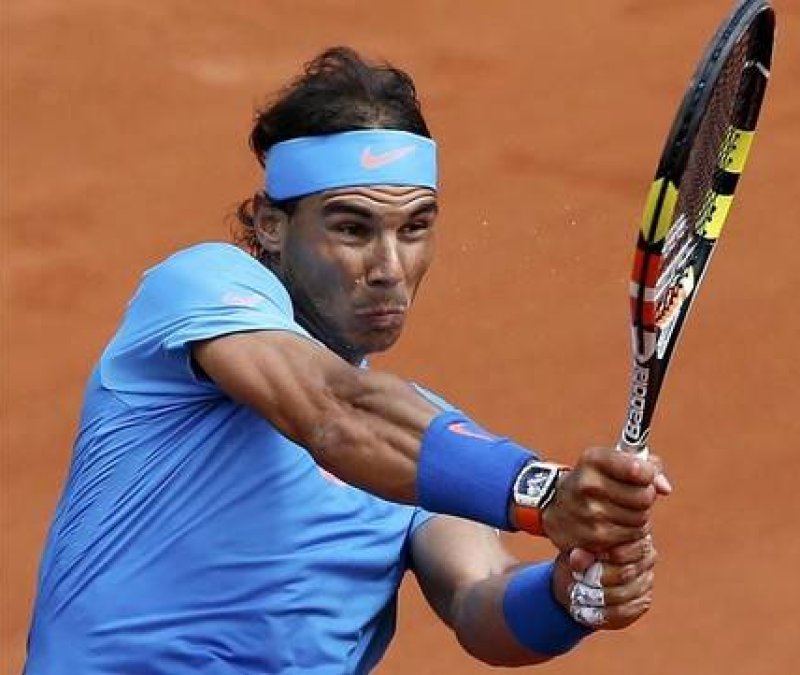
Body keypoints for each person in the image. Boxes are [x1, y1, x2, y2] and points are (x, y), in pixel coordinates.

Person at [25, 46, 671, 674]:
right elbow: (334, 411)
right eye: (353, 229)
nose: (390, 268)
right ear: (270, 223)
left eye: (414, 228)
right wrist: (544, 491)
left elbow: (481, 600)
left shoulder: (428, 449)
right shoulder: (199, 288)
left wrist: (569, 594)